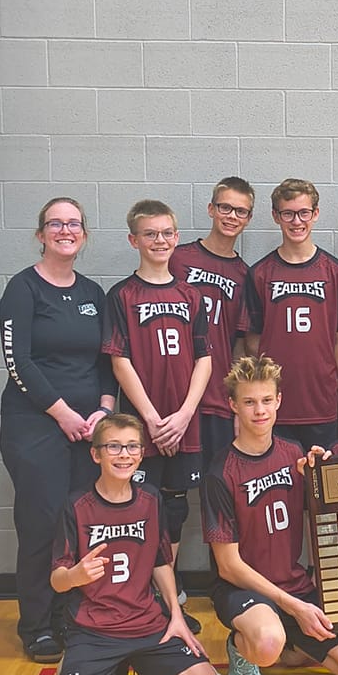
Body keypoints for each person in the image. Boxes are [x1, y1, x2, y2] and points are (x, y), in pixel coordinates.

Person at [200, 355, 338, 675]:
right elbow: (228, 567)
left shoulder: (294, 453)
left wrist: (322, 481)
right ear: (233, 406)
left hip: (295, 584)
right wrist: (292, 606)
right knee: (268, 643)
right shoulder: (219, 473)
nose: (260, 410)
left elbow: (327, 521)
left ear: (279, 401)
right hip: (244, 591)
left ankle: (295, 645)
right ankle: (243, 647)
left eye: (267, 400)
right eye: (249, 402)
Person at [51, 413, 223, 675]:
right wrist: (76, 575)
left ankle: (134, 661)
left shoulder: (151, 500)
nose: (124, 454)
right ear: (96, 454)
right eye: (113, 446)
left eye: (132, 446)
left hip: (146, 625)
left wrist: (176, 616)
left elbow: (161, 563)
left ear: (142, 454)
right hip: (94, 629)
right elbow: (57, 580)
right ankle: (79, 663)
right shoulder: (76, 505)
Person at [0, 197, 116, 663]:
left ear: (83, 234)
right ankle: (38, 625)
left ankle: (73, 617)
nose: (65, 230)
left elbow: (106, 360)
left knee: (81, 523)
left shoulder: (92, 293)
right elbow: (17, 362)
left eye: (73, 223)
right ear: (41, 233)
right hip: (36, 427)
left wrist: (104, 410)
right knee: (42, 523)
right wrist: (62, 412)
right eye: (55, 223)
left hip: (89, 429)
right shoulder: (22, 289)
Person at [102, 199, 211, 634]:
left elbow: (204, 358)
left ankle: (169, 601)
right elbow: (119, 360)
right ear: (134, 240)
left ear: (177, 237)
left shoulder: (191, 294)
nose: (160, 240)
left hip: (184, 424)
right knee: (138, 510)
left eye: (167, 232)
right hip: (141, 427)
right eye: (150, 234)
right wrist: (150, 418)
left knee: (174, 511)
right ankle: (137, 598)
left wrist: (183, 415)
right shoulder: (121, 296)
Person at [244, 179, 338, 452]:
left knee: (320, 485)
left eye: (303, 213)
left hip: (320, 402)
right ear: (276, 216)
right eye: (288, 213)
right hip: (274, 405)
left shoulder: (336, 272)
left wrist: (320, 370)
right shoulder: (260, 273)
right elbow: (252, 342)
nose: (297, 221)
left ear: (315, 214)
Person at [171, 176, 254, 467]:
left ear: (248, 218)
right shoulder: (177, 259)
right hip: (175, 395)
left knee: (217, 488)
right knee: (172, 497)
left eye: (240, 211)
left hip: (218, 399)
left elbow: (240, 347)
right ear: (211, 209)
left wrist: (238, 405)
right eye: (225, 208)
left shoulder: (246, 275)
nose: (232, 216)